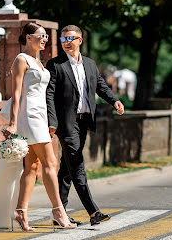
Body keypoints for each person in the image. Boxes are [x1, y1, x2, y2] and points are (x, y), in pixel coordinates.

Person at [0, 23, 76, 232]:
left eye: (46, 37)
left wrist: (50, 120)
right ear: (28, 38)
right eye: (41, 36)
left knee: (32, 167)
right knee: (50, 162)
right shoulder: (21, 60)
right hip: (28, 116)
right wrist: (13, 123)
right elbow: (16, 95)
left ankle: (21, 211)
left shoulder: (39, 61)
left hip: (40, 116)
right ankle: (59, 210)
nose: (44, 40)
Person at [46, 25, 124, 226]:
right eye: (63, 40)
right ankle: (93, 211)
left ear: (80, 40)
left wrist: (114, 101)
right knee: (77, 165)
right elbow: (49, 95)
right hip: (66, 123)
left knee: (67, 168)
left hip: (83, 121)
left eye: (70, 38)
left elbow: (100, 85)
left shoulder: (90, 64)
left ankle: (59, 213)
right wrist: (52, 122)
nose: (66, 43)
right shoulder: (55, 65)